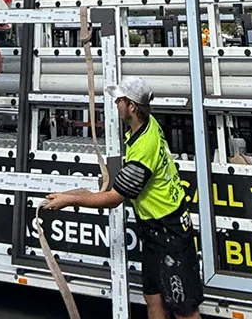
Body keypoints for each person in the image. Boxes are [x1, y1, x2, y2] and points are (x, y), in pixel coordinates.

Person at [43, 76, 202, 319]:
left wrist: (70, 200)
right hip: (154, 228)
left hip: (169, 231)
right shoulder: (146, 125)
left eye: (120, 100)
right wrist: (71, 194)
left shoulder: (143, 148)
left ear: (132, 106)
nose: (116, 103)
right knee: (154, 298)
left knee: (184, 310)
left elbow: (114, 199)